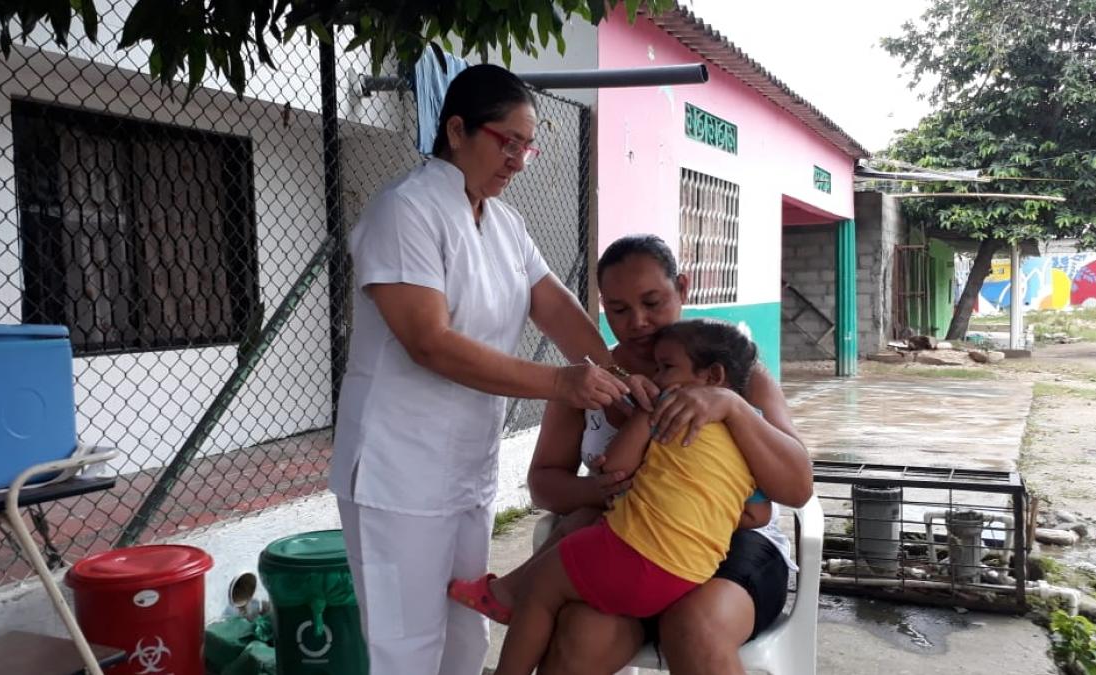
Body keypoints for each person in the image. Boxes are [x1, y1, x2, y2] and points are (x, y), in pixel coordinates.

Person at [328, 64, 651, 675]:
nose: (520, 160)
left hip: (463, 467)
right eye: (508, 142)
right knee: (406, 646)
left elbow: (552, 303)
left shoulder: (504, 223)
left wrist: (612, 372)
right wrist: (563, 383)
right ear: (456, 129)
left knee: (464, 635)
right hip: (398, 471)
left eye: (528, 146)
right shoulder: (406, 211)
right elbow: (430, 342)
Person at [527, 234, 813, 675]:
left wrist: (732, 406)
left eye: (653, 302)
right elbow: (544, 484)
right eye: (619, 310)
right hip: (627, 544)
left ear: (683, 288)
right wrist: (603, 491)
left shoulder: (732, 367)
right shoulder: (587, 380)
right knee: (579, 636)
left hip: (735, 546)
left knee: (694, 627)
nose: (638, 321)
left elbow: (796, 488)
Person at [488, 319, 769, 675]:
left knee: (540, 587)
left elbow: (615, 470)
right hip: (693, 570)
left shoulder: (663, 407)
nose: (659, 377)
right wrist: (707, 510)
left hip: (635, 553)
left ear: (713, 376)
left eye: (667, 368)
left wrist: (640, 417)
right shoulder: (750, 429)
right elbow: (759, 513)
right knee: (577, 621)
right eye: (618, 308)